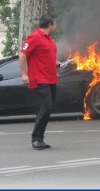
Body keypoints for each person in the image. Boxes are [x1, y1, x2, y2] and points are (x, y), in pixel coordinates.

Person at [19, 14, 60, 150]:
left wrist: (55, 63)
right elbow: (22, 54)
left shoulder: (49, 39)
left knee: (45, 108)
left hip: (50, 78)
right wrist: (24, 74)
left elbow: (43, 56)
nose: (56, 26)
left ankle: (39, 138)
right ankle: (36, 139)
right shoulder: (35, 37)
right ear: (50, 25)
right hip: (40, 79)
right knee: (46, 107)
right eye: (55, 24)